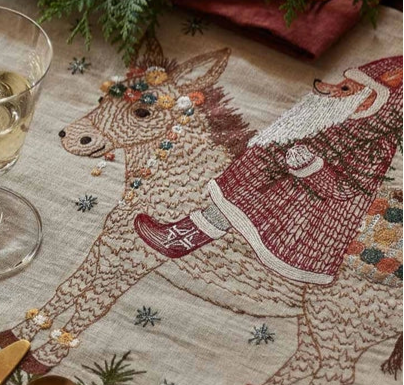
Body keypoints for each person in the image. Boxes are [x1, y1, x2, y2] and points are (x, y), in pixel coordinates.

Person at [135, 56, 403, 285]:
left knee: (241, 204)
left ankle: (183, 240)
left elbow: (347, 187)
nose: (327, 89)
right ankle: (181, 237)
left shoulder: (374, 143)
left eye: (345, 89)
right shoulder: (339, 118)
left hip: (306, 209)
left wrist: (310, 167)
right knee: (237, 196)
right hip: (281, 184)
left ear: (374, 102)